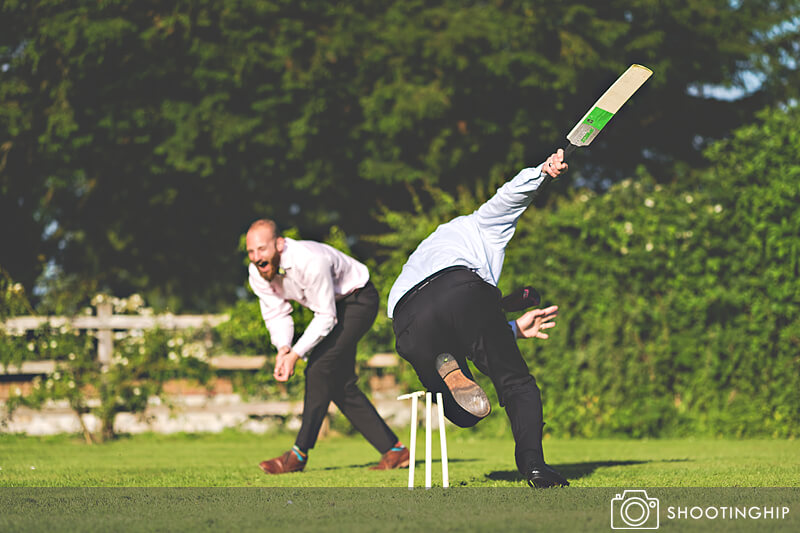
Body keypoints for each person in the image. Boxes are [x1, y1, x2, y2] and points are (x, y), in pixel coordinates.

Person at [388, 149, 570, 488]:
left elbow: (457, 314)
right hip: (462, 289)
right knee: (517, 384)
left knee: (462, 413)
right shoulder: (479, 224)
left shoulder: (424, 251)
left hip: (405, 317)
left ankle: (446, 362)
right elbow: (508, 198)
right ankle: (534, 467)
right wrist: (542, 171)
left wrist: (513, 327)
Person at [246, 219, 408, 474]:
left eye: (262, 249)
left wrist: (296, 355)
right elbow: (276, 313)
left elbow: (326, 316)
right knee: (340, 386)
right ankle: (395, 451)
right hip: (333, 307)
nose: (257, 257)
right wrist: (283, 349)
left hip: (358, 300)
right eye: (251, 252)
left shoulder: (309, 260)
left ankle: (298, 455)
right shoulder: (257, 272)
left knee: (318, 369)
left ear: (279, 244)